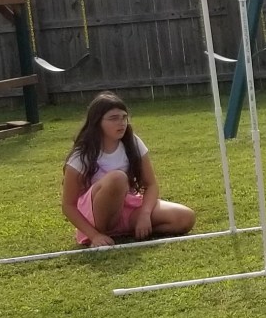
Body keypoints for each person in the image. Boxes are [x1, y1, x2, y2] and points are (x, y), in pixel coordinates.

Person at [61, 93, 196, 247]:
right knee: (118, 178)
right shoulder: (82, 155)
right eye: (114, 118)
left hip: (129, 208)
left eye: (124, 117)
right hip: (96, 217)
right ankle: (104, 233)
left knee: (185, 218)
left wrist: (145, 215)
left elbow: (151, 184)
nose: (122, 123)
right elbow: (68, 206)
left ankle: (131, 230)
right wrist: (94, 235)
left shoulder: (133, 142)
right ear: (97, 122)